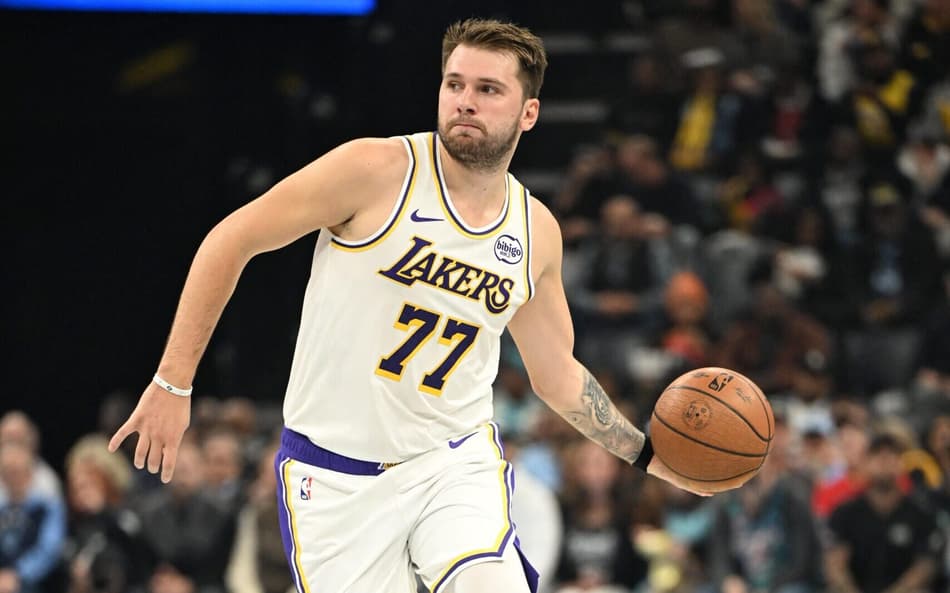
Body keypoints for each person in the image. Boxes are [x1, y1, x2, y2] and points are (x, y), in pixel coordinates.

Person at [108, 18, 712, 593]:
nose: (465, 101)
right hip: (334, 474)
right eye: (454, 84)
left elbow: (556, 374)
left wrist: (645, 453)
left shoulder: (535, 232)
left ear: (528, 113)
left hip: (450, 463)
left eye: (487, 89)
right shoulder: (376, 171)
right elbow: (229, 242)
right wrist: (172, 382)